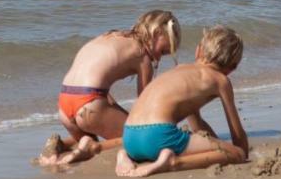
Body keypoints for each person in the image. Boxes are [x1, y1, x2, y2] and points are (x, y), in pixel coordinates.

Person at [39, 10, 181, 166]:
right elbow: (143, 106)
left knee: (92, 142)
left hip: (65, 105)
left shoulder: (109, 36)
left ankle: (60, 145)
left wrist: (115, 111)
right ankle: (79, 149)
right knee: (140, 140)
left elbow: (98, 86)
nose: (159, 58)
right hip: (89, 105)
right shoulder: (143, 55)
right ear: (157, 32)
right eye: (163, 51)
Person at [115, 25, 248, 177]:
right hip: (158, 136)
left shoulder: (179, 69)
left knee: (156, 145)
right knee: (237, 154)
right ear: (233, 67)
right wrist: (239, 151)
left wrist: (215, 143)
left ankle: (124, 155)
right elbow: (236, 132)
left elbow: (197, 126)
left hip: (130, 138)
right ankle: (173, 162)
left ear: (198, 50)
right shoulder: (221, 81)